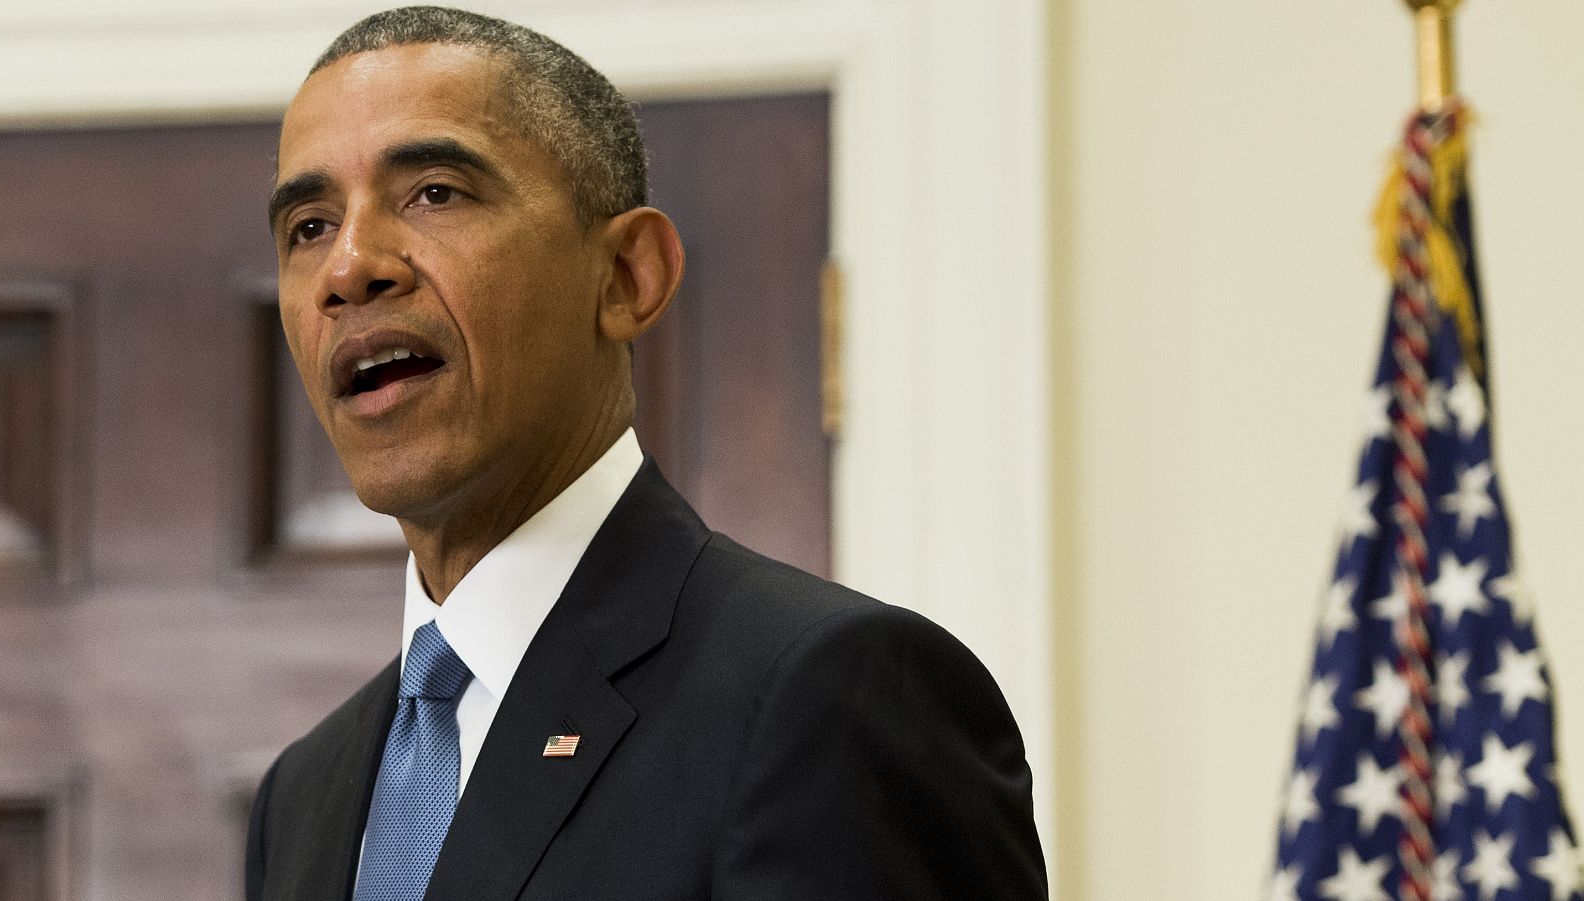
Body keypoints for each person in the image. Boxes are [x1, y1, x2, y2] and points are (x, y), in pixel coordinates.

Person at [244, 7, 1046, 900]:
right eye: (309, 226)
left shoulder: (828, 695)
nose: (350, 267)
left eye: (435, 191)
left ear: (630, 276)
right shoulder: (304, 795)